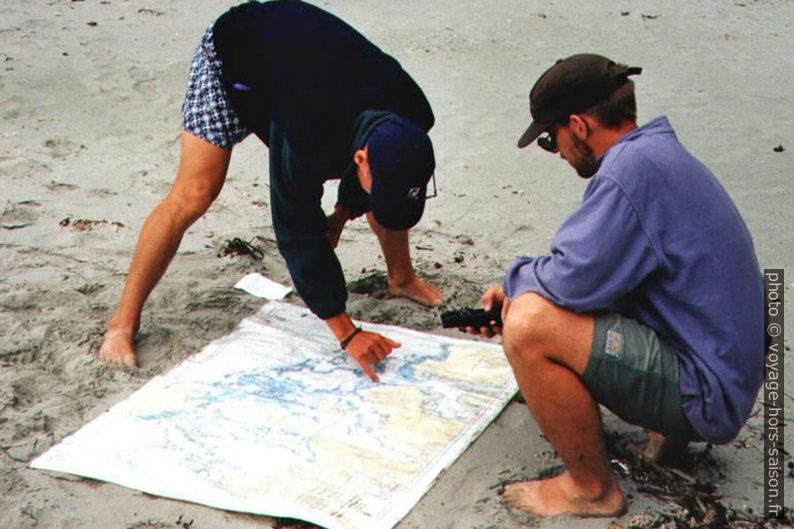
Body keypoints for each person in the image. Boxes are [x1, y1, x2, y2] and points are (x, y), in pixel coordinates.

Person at [468, 54, 763, 517]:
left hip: (709, 392)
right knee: (557, 298)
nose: (557, 152)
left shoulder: (631, 173)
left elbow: (570, 281)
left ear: (579, 126)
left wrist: (515, 286)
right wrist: (523, 285)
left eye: (552, 140)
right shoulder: (657, 154)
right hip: (726, 366)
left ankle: (591, 490)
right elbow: (599, 273)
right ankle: (669, 435)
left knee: (528, 325)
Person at [98, 0, 442, 382]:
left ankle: (401, 277)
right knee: (195, 192)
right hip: (235, 61)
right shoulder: (310, 135)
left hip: (303, 70)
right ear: (359, 158)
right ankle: (121, 325)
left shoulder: (411, 114)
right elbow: (295, 228)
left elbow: (387, 169)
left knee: (389, 176)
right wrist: (348, 333)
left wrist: (342, 213)